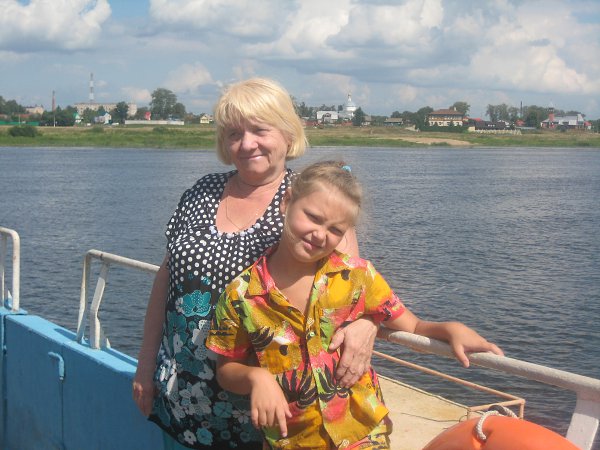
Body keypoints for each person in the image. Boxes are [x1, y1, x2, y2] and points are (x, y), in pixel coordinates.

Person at [132, 78, 379, 450]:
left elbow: (356, 287)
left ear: (287, 133)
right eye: (234, 133)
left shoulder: (312, 199)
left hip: (269, 409)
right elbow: (166, 282)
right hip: (182, 395)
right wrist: (145, 364)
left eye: (260, 130)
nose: (247, 144)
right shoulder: (201, 192)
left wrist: (367, 323)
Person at [206, 161, 504, 449]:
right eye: (312, 217)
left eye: (335, 230)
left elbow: (413, 326)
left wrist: (451, 330)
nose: (320, 234)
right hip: (292, 439)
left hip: (364, 434)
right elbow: (226, 369)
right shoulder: (241, 294)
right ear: (287, 202)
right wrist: (256, 378)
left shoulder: (359, 277)